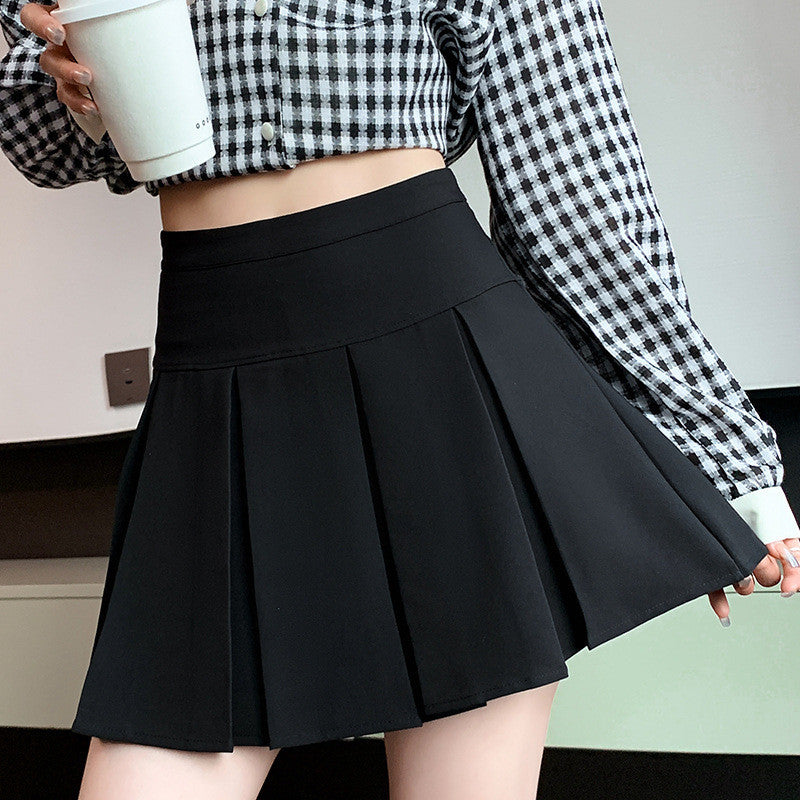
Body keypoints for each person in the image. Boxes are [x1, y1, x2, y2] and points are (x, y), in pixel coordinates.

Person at [2, 0, 798, 798]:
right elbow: (41, 143)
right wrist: (73, 83)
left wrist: (725, 463)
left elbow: (575, 185)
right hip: (215, 375)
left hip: (444, 369)